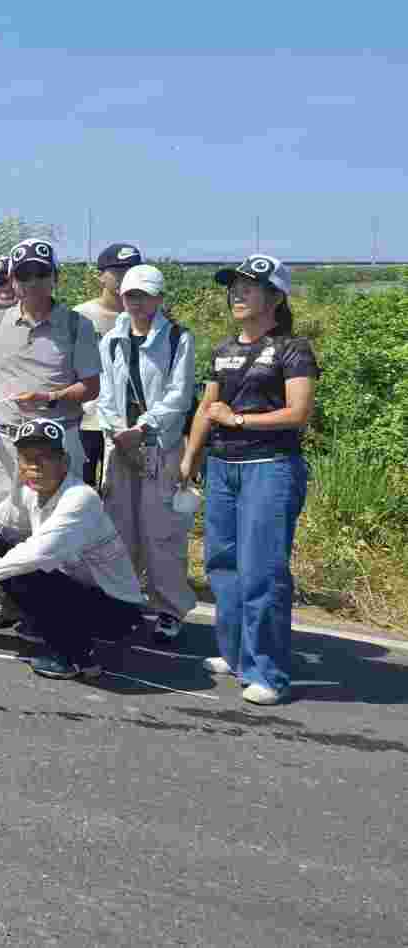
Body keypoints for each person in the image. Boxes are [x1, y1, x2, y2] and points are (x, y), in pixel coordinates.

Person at [180, 255, 316, 706]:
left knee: (263, 572)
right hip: (222, 466)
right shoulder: (222, 349)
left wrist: (238, 421)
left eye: (249, 287)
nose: (237, 293)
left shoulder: (294, 348)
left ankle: (268, 673)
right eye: (233, 286)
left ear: (276, 297)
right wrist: (189, 458)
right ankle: (235, 654)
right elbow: (206, 408)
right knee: (223, 565)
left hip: (270, 466)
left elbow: (298, 414)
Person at [0, 238, 101, 630]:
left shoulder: (76, 324)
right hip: (4, 441)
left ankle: (53, 610)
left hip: (56, 441)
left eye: (40, 274)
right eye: (23, 275)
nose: (31, 283)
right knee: (9, 522)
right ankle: (12, 600)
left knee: (55, 529)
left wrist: (50, 398)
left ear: (54, 278)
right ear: (12, 280)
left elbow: (91, 386)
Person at [0, 418, 148, 680]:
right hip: (80, 590)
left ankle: (77, 659)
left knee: (19, 569)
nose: (34, 466)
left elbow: (41, 552)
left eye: (45, 457)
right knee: (2, 549)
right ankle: (42, 622)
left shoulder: (81, 498)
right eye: (27, 458)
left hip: (118, 610)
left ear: (64, 461)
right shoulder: (28, 492)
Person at [95, 264, 197, 643]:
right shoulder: (112, 340)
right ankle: (122, 600)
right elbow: (105, 394)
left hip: (159, 447)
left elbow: (179, 395)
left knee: (162, 533)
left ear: (159, 298)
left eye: (144, 295)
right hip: (120, 446)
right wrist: (118, 433)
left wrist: (143, 429)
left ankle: (170, 609)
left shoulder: (178, 339)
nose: (136, 303)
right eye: (130, 295)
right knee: (119, 529)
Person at [75, 243, 145, 487]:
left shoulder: (150, 317)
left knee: (120, 497)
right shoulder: (79, 316)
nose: (125, 277)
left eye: (132, 270)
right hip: (86, 419)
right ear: (101, 276)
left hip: (130, 423)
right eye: (118, 271)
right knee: (81, 491)